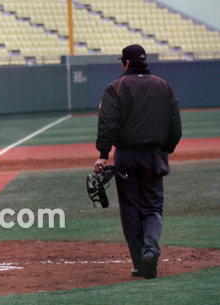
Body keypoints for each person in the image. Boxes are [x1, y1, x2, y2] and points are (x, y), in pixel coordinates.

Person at [93, 44, 182, 279]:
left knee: (130, 210)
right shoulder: (164, 86)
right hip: (154, 155)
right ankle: (151, 250)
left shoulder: (116, 87)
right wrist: (166, 148)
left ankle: (140, 264)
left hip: (127, 156)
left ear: (126, 63)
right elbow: (175, 126)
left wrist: (103, 153)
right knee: (153, 206)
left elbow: (108, 124)